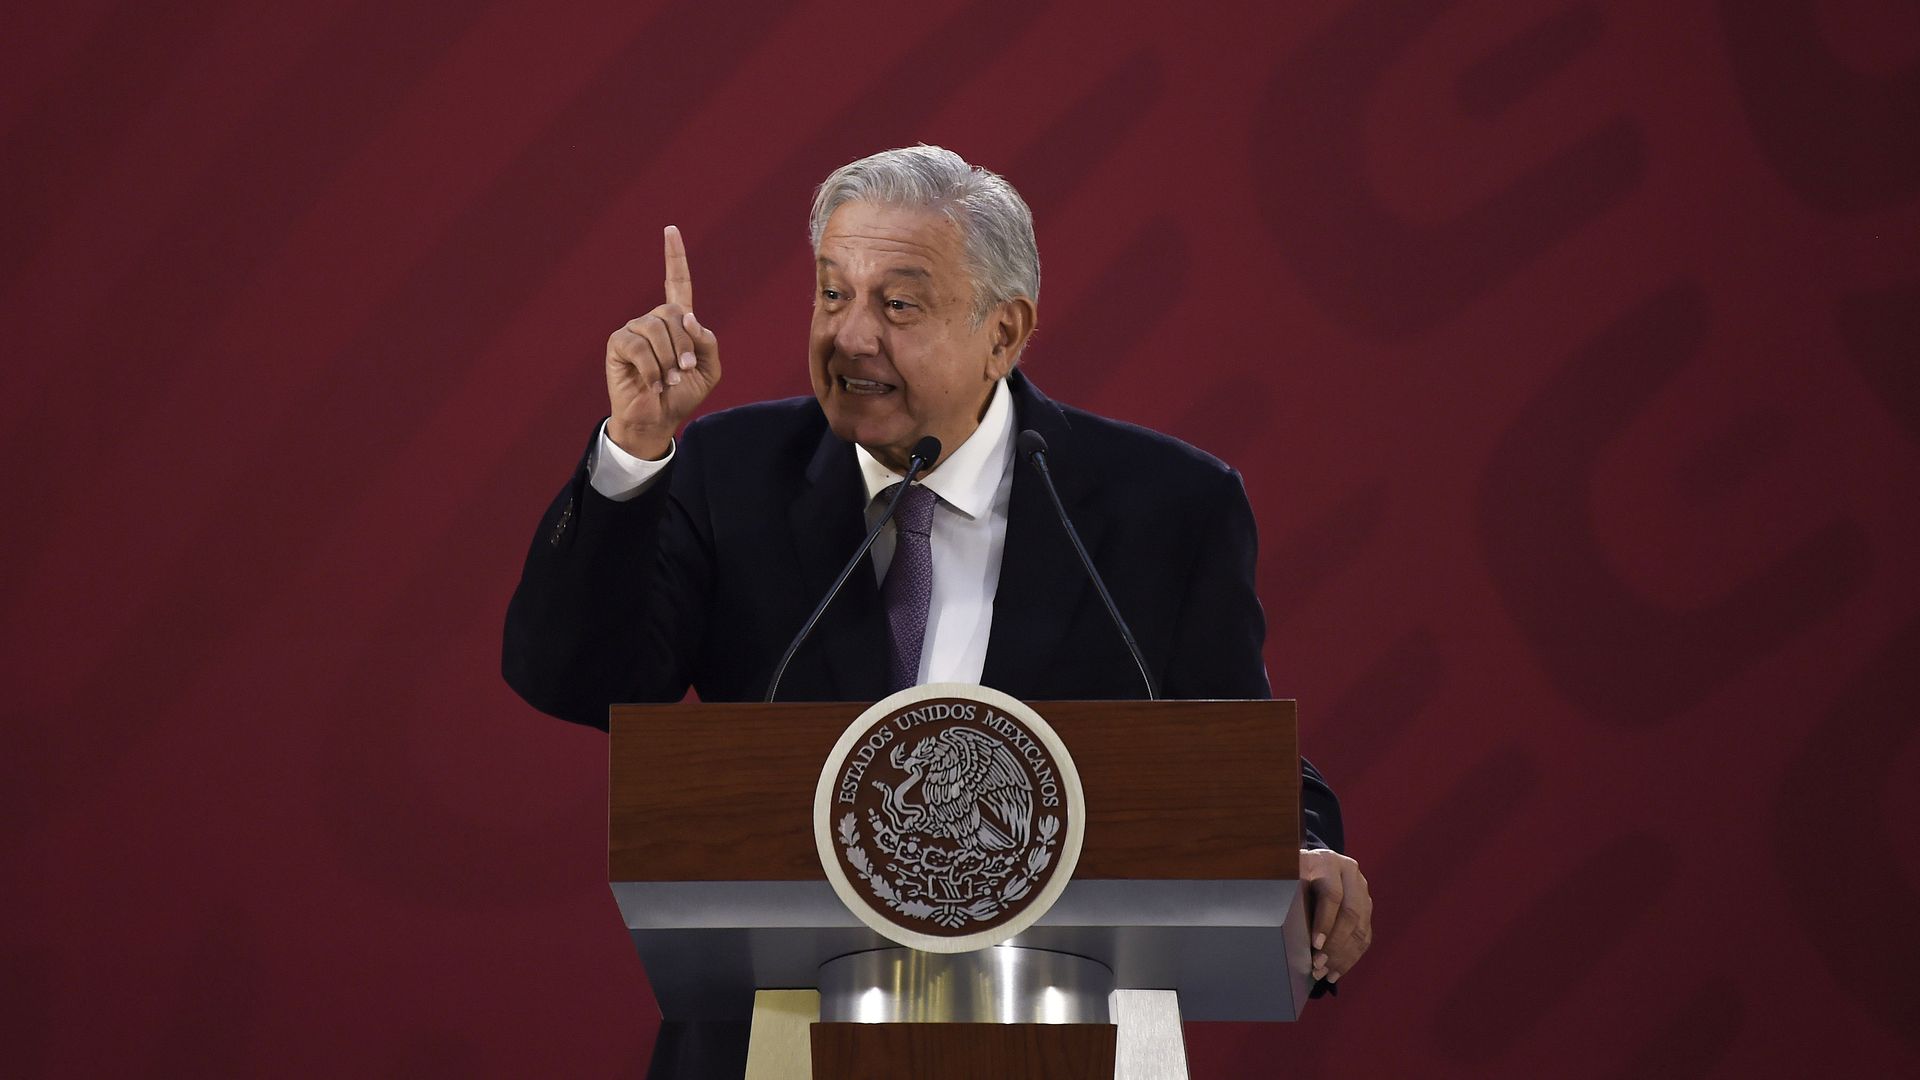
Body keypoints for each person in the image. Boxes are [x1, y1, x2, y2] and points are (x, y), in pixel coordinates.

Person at [503, 145, 1372, 1059]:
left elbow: (1239, 756)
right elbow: (576, 679)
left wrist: (1305, 850)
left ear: (1004, 332)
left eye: (898, 305)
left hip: (1060, 1040)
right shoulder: (728, 474)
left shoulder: (1164, 506)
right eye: (832, 293)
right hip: (774, 1045)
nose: (850, 336)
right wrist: (635, 450)